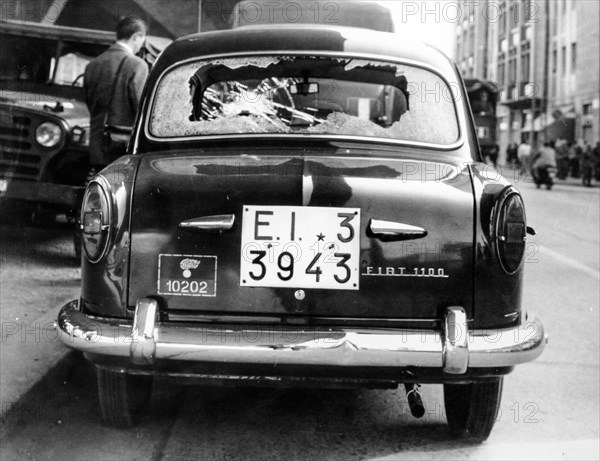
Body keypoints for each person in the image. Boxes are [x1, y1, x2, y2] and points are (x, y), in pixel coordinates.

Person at [84, 16, 149, 174]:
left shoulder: (93, 64)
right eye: (142, 40)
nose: (141, 45)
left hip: (97, 148)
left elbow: (89, 101)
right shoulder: (137, 65)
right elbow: (142, 109)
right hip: (123, 150)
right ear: (137, 37)